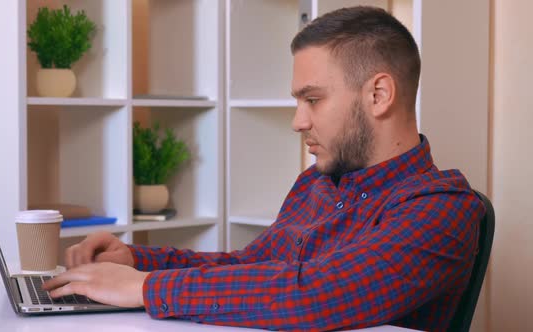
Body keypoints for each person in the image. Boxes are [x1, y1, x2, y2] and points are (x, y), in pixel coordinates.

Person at [43, 6, 485, 332]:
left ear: (379, 95)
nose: (298, 121)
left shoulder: (442, 210)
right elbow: (249, 266)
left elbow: (315, 294)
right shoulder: (316, 184)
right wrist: (137, 260)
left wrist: (142, 288)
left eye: (312, 99)